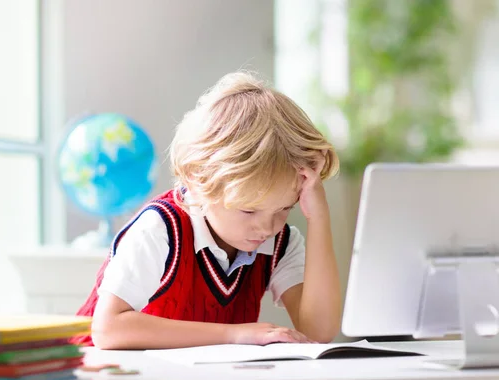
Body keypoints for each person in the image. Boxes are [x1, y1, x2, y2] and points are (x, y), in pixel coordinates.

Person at [74, 71, 342, 350]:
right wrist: (234, 334)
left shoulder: (279, 242)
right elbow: (108, 329)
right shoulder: (160, 228)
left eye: (285, 208)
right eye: (248, 211)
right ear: (197, 182)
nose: (267, 227)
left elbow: (319, 330)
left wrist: (318, 218)